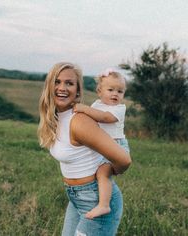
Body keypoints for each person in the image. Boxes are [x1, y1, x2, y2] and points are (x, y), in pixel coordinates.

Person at [38, 62, 131, 236]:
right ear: (49, 86)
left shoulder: (79, 121)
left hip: (95, 199)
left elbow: (124, 159)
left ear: (78, 90)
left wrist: (110, 170)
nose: (62, 88)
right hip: (76, 198)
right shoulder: (58, 118)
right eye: (57, 82)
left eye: (69, 83)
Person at [73, 68, 130, 219]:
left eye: (120, 91)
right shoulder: (97, 104)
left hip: (115, 146)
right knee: (93, 173)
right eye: (110, 89)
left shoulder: (119, 108)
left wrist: (84, 109)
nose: (115, 94)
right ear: (99, 91)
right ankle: (91, 197)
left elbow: (104, 118)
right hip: (101, 146)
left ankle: (104, 205)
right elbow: (90, 121)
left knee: (103, 173)